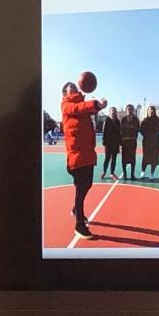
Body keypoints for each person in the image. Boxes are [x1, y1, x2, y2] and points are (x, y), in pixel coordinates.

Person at [61, 82, 106, 239]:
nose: (73, 87)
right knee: (80, 189)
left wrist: (100, 105)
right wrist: (95, 103)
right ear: (65, 93)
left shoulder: (83, 105)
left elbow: (88, 108)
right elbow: (79, 108)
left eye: (74, 86)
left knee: (87, 185)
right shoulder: (66, 106)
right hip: (76, 157)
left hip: (87, 154)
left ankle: (76, 210)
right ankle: (79, 225)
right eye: (70, 87)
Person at [139, 106, 159, 180]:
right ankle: (143, 172)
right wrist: (147, 136)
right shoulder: (145, 120)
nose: (151, 111)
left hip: (155, 142)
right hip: (146, 142)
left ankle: (152, 173)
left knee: (154, 158)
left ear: (154, 111)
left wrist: (154, 136)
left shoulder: (157, 120)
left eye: (152, 110)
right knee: (145, 157)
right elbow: (141, 130)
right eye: (149, 110)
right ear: (147, 111)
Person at [119, 104, 140, 180]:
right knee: (124, 159)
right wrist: (120, 143)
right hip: (124, 142)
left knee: (133, 159)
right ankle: (125, 174)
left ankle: (132, 175)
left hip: (132, 141)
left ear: (133, 110)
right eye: (128, 109)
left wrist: (131, 128)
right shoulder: (123, 119)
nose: (130, 110)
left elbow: (137, 129)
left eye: (131, 109)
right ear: (126, 110)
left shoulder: (136, 119)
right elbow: (120, 130)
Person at [100, 107, 121, 180]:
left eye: (114, 111)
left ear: (116, 112)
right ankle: (104, 172)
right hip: (108, 143)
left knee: (114, 159)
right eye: (112, 111)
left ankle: (112, 173)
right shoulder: (107, 120)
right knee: (107, 158)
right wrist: (104, 141)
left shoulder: (118, 121)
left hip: (115, 143)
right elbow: (104, 132)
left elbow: (119, 132)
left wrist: (119, 142)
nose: (113, 112)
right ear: (109, 112)